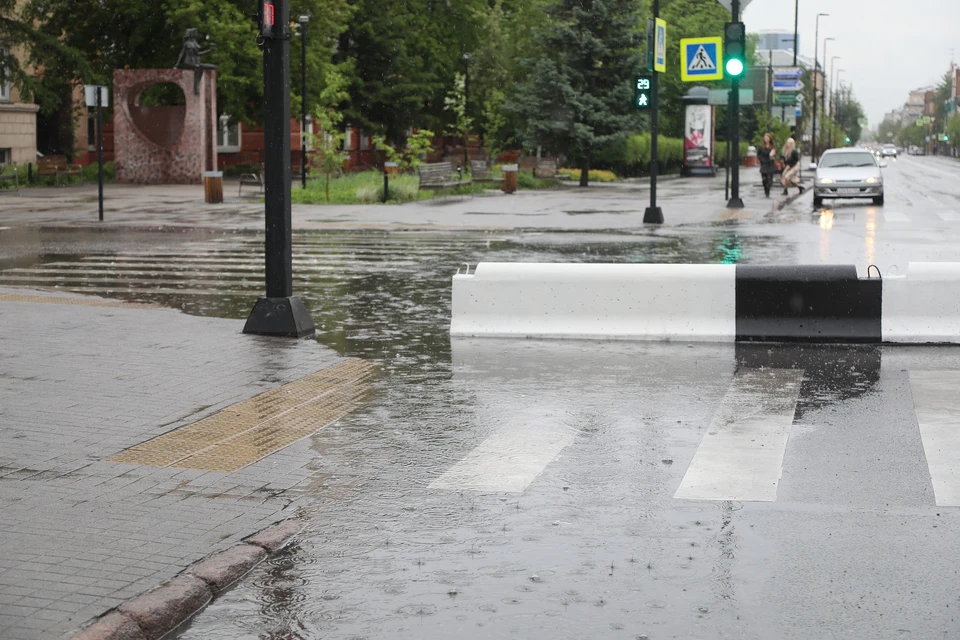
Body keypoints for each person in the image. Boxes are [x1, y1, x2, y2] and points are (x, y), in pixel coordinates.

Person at [758, 133, 778, 198]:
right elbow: (759, 155)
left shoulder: (772, 146)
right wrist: (762, 160)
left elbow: (775, 154)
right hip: (764, 164)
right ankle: (765, 190)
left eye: (767, 138)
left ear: (770, 139)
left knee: (770, 179)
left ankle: (768, 190)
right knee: (764, 179)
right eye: (765, 138)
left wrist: (773, 156)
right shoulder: (761, 146)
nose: (766, 139)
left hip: (770, 164)